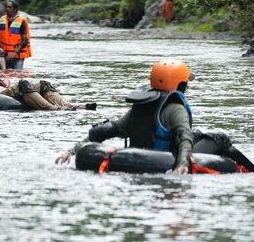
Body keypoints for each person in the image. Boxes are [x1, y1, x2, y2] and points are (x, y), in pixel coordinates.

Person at [55, 59, 254, 173]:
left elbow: (107, 130)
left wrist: (72, 151)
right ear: (179, 84)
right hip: (167, 159)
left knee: (198, 133)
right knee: (219, 139)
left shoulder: (140, 106)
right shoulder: (175, 108)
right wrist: (183, 164)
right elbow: (184, 137)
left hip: (142, 156)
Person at [0, 42, 98, 111]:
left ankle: (71, 106)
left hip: (3, 91)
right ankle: (53, 109)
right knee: (23, 83)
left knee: (43, 84)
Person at [0, 0, 31, 70]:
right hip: (4, 55)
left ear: (15, 9)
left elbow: (25, 40)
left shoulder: (21, 21)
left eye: (10, 7)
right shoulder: (2, 19)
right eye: (6, 7)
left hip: (17, 56)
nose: (7, 9)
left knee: (16, 74)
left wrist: (14, 53)